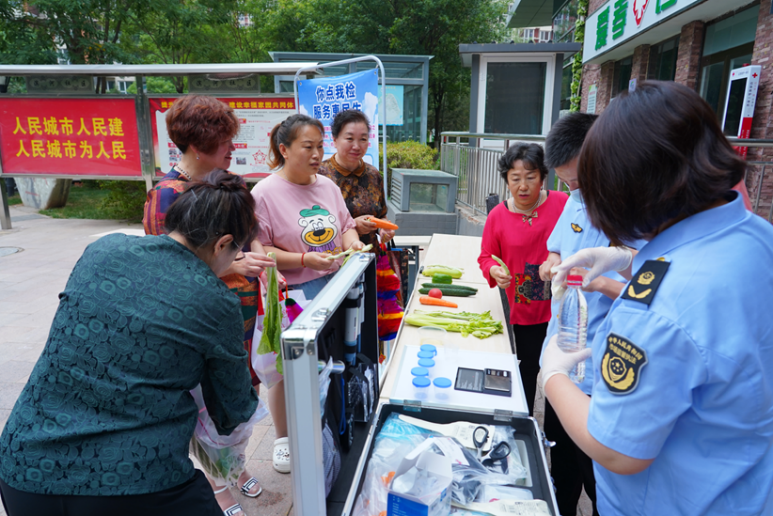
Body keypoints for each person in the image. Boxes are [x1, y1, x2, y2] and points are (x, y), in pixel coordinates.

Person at [541, 81, 773, 515]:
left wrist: (552, 375)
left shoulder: (656, 308)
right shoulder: (757, 236)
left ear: (632, 187)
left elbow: (617, 448)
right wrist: (622, 261)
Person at [0, 171, 260, 516]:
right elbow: (232, 410)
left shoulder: (103, 250)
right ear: (222, 243)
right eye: (236, 252)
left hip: (25, 465)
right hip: (135, 480)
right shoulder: (216, 300)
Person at [142, 94, 271, 512]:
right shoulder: (167, 195)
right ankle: (218, 482)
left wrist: (256, 258)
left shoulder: (224, 183)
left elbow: (246, 236)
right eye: (225, 141)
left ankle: (235, 467)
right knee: (206, 405)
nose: (233, 147)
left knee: (241, 395)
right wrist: (237, 263)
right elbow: (169, 270)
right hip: (199, 321)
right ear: (197, 146)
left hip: (241, 313)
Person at [537, 112, 641, 516]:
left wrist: (603, 283)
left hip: (603, 368)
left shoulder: (636, 209)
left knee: (600, 478)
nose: (573, 190)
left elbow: (658, 296)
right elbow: (557, 246)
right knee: (560, 465)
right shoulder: (577, 200)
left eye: (579, 180)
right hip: (563, 346)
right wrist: (551, 263)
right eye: (564, 182)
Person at [251, 113, 364, 473]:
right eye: (308, 147)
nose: (317, 154)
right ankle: (283, 438)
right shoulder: (264, 193)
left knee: (325, 365)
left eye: (319, 146)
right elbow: (260, 248)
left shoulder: (327, 186)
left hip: (333, 288)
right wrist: (303, 258)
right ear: (284, 149)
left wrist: (354, 244)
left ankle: (322, 425)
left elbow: (345, 226)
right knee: (285, 371)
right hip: (292, 293)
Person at [478, 143, 568, 416]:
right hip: (524, 308)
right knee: (527, 369)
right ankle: (525, 422)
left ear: (543, 177)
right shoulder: (498, 216)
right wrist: (494, 270)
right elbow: (486, 257)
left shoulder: (564, 204)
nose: (523, 186)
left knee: (560, 373)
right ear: (506, 181)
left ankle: (558, 429)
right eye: (515, 179)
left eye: (531, 177)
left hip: (561, 307)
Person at [318, 109, 395, 248]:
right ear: (335, 140)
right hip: (332, 259)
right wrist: (353, 226)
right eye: (349, 139)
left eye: (363, 139)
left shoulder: (373, 174)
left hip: (370, 258)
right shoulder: (319, 175)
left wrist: (383, 228)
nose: (356, 146)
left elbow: (381, 215)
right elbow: (312, 225)